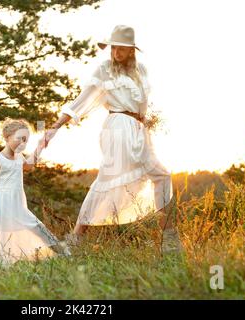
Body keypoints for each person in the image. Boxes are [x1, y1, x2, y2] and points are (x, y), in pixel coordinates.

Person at [44, 25, 183, 255]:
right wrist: (56, 126)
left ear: (131, 50)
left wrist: (145, 123)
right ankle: (75, 239)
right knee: (107, 180)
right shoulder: (104, 70)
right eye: (114, 47)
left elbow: (141, 104)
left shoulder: (143, 71)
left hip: (139, 129)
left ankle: (168, 239)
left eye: (121, 48)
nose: (116, 51)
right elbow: (83, 99)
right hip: (117, 128)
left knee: (163, 176)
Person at [0, 118, 70, 267]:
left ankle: (63, 253)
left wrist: (40, 146)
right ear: (7, 137)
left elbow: (28, 167)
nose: (23, 143)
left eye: (26, 140)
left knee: (36, 226)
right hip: (1, 204)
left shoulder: (19, 157)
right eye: (19, 139)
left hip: (18, 205)